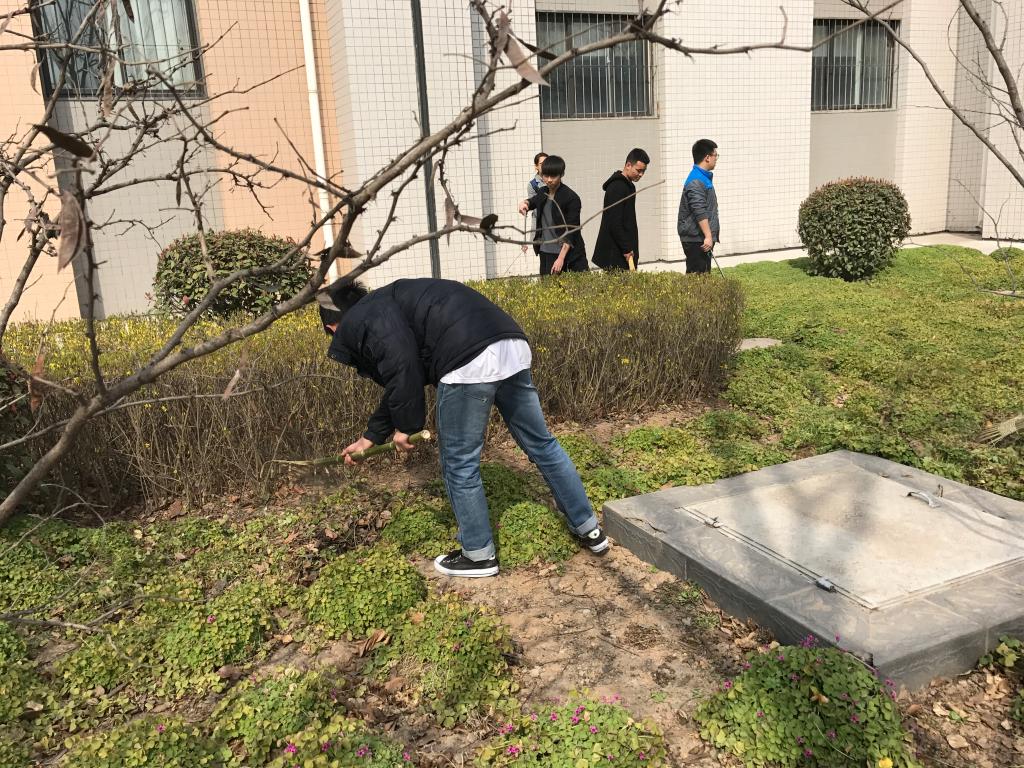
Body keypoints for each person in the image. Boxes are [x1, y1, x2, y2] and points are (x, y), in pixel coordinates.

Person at [318, 277, 610, 578]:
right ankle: (589, 528)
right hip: (509, 344)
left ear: (332, 327)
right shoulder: (387, 301)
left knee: (459, 463)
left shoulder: (364, 316)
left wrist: (406, 426)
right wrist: (370, 437)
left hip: (468, 359)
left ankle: (478, 554)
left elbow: (402, 366)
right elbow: (401, 377)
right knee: (542, 444)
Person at [518, 155, 588, 275]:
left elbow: (571, 231)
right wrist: (525, 203)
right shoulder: (543, 192)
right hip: (545, 251)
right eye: (546, 176)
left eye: (553, 176)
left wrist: (561, 258)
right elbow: (533, 201)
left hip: (567, 254)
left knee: (570, 285)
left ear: (561, 174)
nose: (549, 180)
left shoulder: (571, 198)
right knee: (547, 285)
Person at [592, 148, 650, 271]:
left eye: (643, 171)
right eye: (638, 170)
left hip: (624, 249)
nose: (641, 174)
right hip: (616, 252)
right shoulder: (617, 187)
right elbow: (614, 222)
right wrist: (626, 249)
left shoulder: (629, 186)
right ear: (628, 165)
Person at [677, 139, 720, 274]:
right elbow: (699, 210)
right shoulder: (696, 180)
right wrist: (708, 236)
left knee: (703, 277)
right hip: (697, 239)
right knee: (697, 278)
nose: (716, 159)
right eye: (715, 155)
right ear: (707, 157)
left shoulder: (703, 178)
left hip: (701, 238)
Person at [522, 152, 548, 254]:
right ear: (536, 166)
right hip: (541, 224)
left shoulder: (555, 180)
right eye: (541, 163)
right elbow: (533, 204)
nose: (545, 165)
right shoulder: (533, 185)